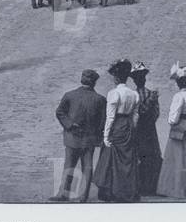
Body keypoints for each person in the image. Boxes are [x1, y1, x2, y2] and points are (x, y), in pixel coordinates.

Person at [50, 69, 107, 203]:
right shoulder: (100, 99)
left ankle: (63, 194)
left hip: (72, 137)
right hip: (89, 139)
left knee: (69, 165)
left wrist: (70, 125)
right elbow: (103, 121)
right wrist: (97, 135)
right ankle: (83, 196)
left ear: (82, 80)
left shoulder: (69, 95)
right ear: (94, 83)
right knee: (87, 167)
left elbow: (60, 112)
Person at [92, 59, 140, 202]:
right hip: (128, 125)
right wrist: (132, 128)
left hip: (117, 125)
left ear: (116, 77)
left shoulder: (114, 93)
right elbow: (135, 115)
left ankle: (112, 192)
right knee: (127, 158)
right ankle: (127, 190)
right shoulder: (134, 94)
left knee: (112, 157)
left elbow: (110, 117)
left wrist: (106, 136)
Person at [156, 62, 186, 200]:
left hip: (179, 126)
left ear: (178, 83)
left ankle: (176, 188)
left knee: (176, 157)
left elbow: (173, 117)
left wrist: (172, 122)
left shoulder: (178, 97)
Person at [130, 62, 163, 197]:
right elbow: (153, 113)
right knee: (142, 156)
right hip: (143, 129)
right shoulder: (143, 95)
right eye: (138, 77)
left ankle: (147, 186)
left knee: (148, 156)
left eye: (142, 76)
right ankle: (143, 186)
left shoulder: (141, 94)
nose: (141, 79)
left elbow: (156, 113)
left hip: (145, 129)